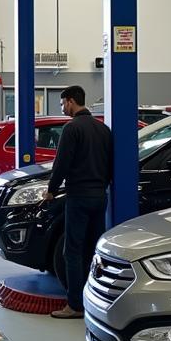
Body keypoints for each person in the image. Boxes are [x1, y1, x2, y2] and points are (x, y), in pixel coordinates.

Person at [43, 85, 113, 320]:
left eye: (63, 104)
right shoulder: (103, 129)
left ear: (71, 102)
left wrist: (51, 190)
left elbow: (61, 164)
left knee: (71, 251)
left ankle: (74, 305)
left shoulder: (71, 128)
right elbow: (111, 163)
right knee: (94, 251)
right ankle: (96, 300)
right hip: (100, 197)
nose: (62, 108)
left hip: (79, 197)